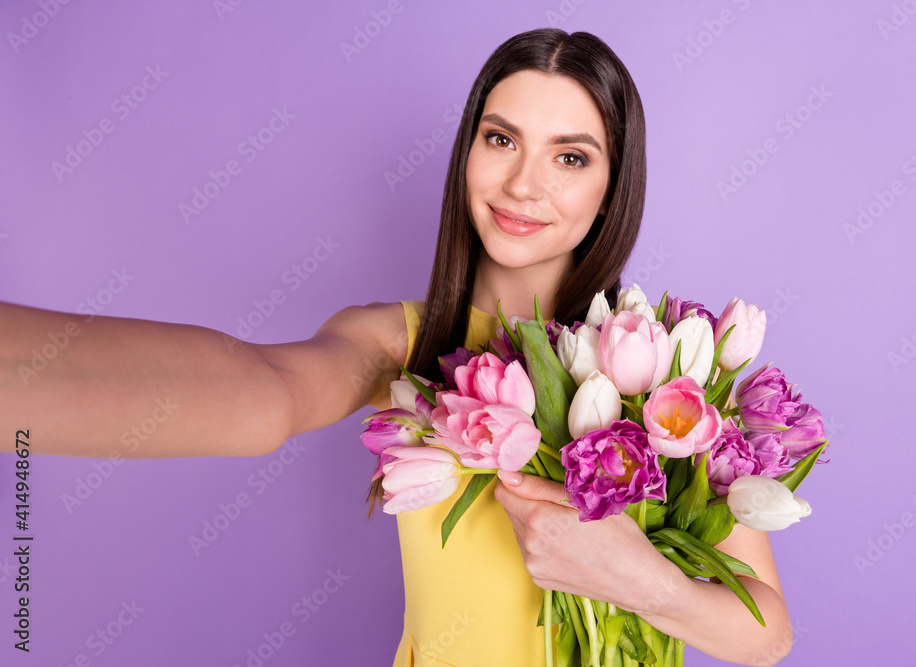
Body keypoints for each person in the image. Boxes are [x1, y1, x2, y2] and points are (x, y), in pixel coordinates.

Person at [1, 29, 793, 667]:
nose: (523, 184)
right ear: (467, 153)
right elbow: (268, 388)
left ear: (611, 189)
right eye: (500, 138)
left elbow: (765, 636)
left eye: (570, 156)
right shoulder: (402, 346)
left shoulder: (673, 377)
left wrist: (642, 583)